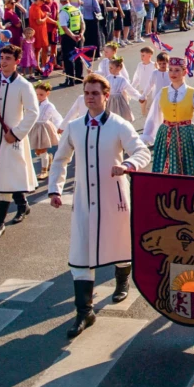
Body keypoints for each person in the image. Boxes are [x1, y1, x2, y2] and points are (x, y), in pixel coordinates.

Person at [49, 74, 151, 338]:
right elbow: (60, 160)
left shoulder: (119, 125)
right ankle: (84, 312)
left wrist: (128, 166)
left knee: (120, 245)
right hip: (83, 199)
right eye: (87, 93)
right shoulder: (73, 127)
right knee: (81, 252)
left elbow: (142, 151)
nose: (90, 97)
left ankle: (122, 280)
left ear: (106, 96)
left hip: (114, 197)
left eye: (95, 93)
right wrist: (55, 189)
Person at [0, 45, 40, 241]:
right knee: (7, 174)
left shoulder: (23, 85)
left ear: (16, 62)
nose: (3, 61)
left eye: (8, 58)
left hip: (11, 138)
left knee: (5, 181)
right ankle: (22, 204)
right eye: (2, 57)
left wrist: (16, 132)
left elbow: (33, 113)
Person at [141, 55, 194, 176]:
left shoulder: (193, 93)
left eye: (177, 70)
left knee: (189, 172)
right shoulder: (163, 92)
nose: (173, 73)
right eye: (170, 69)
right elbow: (153, 117)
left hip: (187, 136)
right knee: (165, 172)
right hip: (166, 135)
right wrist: (144, 140)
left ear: (184, 72)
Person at [30, 81, 62, 180]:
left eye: (41, 94)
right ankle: (48, 158)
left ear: (47, 94)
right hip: (35, 127)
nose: (38, 96)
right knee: (37, 150)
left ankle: (44, 170)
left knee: (42, 149)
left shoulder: (49, 106)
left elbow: (57, 117)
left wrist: (60, 127)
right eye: (36, 94)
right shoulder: (33, 103)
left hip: (44, 128)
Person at [58, 0, 85, 87]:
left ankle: (70, 80)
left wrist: (72, 36)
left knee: (68, 58)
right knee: (78, 57)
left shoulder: (63, 11)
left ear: (61, 1)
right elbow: (82, 23)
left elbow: (64, 27)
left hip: (68, 37)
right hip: (78, 35)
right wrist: (81, 33)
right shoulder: (76, 9)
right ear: (68, 0)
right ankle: (79, 77)